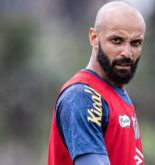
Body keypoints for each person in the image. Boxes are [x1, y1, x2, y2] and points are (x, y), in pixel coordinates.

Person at [48, 1, 146, 165]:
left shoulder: (117, 95)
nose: (127, 53)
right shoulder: (82, 97)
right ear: (94, 38)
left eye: (135, 43)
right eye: (116, 40)